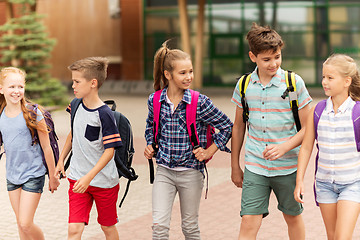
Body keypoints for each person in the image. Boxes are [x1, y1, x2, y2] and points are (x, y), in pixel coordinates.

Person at [144, 40, 233, 240]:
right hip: (164, 171)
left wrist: (209, 151)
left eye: (190, 71)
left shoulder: (199, 102)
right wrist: (150, 144)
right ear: (168, 75)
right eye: (182, 73)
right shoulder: (155, 100)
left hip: (191, 173)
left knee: (190, 227)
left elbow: (228, 126)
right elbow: (150, 126)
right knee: (159, 227)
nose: (189, 77)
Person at [231, 22, 312, 240]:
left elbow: (308, 127)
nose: (273, 63)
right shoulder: (244, 85)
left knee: (292, 217)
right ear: (252, 56)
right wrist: (235, 166)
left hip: (288, 167)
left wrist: (284, 147)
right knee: (248, 220)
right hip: (255, 165)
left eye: (277, 57)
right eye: (266, 59)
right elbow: (238, 127)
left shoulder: (293, 84)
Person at [55, 57, 122, 240]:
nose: (73, 85)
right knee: (74, 229)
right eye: (73, 81)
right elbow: (72, 134)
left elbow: (110, 151)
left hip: (104, 183)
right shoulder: (75, 104)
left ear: (93, 83)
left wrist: (89, 177)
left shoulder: (104, 114)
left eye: (77, 81)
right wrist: (61, 161)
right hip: (77, 179)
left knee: (107, 228)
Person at [294, 54, 360, 240]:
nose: (324, 82)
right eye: (324, 77)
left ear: (347, 81)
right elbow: (306, 148)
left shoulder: (357, 112)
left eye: (330, 78)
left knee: (342, 237)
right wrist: (299, 181)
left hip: (353, 184)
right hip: (324, 185)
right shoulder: (317, 110)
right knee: (332, 237)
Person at [0, 67, 60, 240]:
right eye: (11, 87)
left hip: (33, 174)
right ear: (1, 88)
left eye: (20, 87)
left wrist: (53, 176)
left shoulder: (34, 113)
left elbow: (47, 147)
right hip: (12, 175)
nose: (16, 91)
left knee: (25, 223)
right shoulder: (1, 114)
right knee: (21, 225)